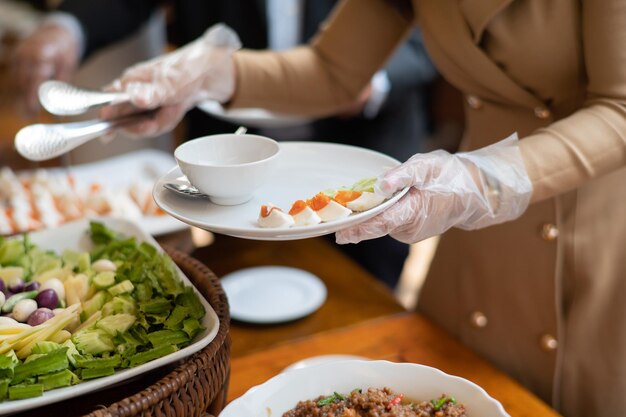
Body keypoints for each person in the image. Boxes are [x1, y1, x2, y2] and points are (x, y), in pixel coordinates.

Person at [91, 1, 626, 416]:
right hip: (476, 227)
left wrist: (486, 177)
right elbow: (332, 68)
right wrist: (215, 75)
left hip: (584, 216)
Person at [13, 0, 438, 288]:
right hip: (228, 171)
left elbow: (435, 34)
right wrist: (203, 76)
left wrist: (375, 81)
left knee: (368, 304)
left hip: (358, 151)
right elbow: (330, 70)